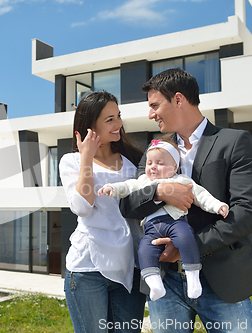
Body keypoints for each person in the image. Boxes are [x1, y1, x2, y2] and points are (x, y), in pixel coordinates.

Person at [119, 68, 252, 332]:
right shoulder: (154, 151)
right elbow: (128, 204)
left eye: (154, 105)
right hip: (166, 282)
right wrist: (159, 192)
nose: (150, 114)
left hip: (222, 278)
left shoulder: (234, 142)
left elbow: (248, 211)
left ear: (178, 99)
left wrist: (188, 247)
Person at [98, 137, 229, 302]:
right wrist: (112, 188)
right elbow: (127, 187)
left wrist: (217, 206)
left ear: (174, 167)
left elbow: (201, 196)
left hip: (175, 222)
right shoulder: (143, 181)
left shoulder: (181, 180)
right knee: (144, 250)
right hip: (152, 228)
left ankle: (193, 278)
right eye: (149, 163)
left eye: (160, 163)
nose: (153, 167)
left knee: (185, 238)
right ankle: (155, 285)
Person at [59, 90, 145, 333]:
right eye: (109, 119)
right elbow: (82, 208)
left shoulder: (134, 161)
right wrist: (86, 157)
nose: (118, 124)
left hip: (129, 265)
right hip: (87, 268)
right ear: (90, 126)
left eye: (118, 116)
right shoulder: (71, 161)